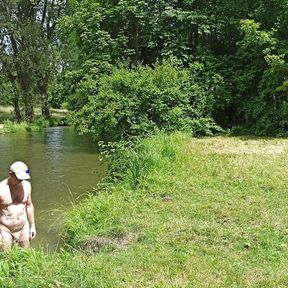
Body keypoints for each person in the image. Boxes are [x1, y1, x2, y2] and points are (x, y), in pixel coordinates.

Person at [0, 161, 36, 251]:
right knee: (5, 256)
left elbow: (29, 206)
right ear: (10, 174)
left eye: (23, 178)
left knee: (26, 254)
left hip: (23, 227)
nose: (21, 181)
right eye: (19, 178)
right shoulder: (1, 189)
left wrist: (32, 226)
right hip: (5, 228)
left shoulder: (27, 185)